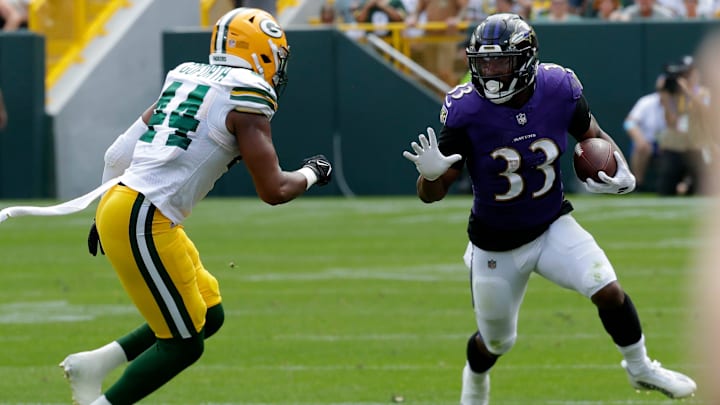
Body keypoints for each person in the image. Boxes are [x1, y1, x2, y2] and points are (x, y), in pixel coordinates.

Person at [402, 13, 696, 404]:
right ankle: (474, 387)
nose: (489, 71)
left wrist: (621, 168)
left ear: (525, 60)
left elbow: (593, 136)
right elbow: (432, 194)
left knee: (606, 288)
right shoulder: (465, 110)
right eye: (482, 61)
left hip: (551, 225)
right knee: (496, 342)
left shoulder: (559, 87)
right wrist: (429, 175)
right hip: (495, 246)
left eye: (499, 61)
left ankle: (640, 367)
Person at [52, 8, 332, 405]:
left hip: (127, 205)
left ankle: (94, 365)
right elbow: (274, 190)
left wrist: (103, 211)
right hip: (144, 216)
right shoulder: (248, 96)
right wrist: (313, 172)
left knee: (207, 313)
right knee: (184, 344)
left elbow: (116, 155)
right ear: (262, 53)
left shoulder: (186, 75)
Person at [623, 75, 666, 191]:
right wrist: (640, 140)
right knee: (642, 148)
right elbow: (629, 123)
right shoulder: (646, 102)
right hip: (648, 143)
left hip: (670, 145)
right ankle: (638, 185)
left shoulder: (679, 103)